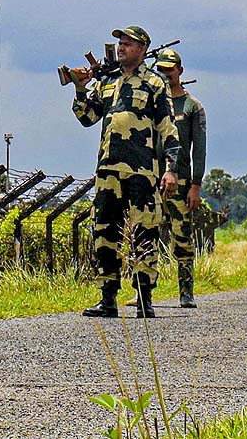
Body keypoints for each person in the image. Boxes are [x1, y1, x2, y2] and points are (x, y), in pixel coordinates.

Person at [69, 26, 180, 318]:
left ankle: (144, 297)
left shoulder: (154, 82)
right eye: (120, 43)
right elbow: (87, 117)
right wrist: (80, 87)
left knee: (146, 231)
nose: (122, 47)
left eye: (128, 43)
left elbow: (167, 127)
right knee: (105, 230)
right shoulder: (107, 82)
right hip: (108, 169)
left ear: (142, 49)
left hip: (143, 170)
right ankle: (107, 299)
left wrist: (171, 169)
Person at [152, 49, 207, 308]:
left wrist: (196, 185)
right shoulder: (151, 104)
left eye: (169, 70)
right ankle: (144, 292)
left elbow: (200, 148)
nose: (165, 74)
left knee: (182, 237)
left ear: (180, 71)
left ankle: (186, 292)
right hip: (151, 179)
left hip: (181, 182)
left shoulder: (192, 106)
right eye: (160, 70)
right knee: (144, 235)